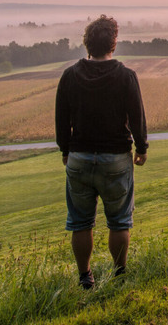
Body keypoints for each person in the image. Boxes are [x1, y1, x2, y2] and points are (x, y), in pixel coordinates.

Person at [55, 15, 148, 289]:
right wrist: (141, 148)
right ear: (113, 43)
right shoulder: (126, 76)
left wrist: (65, 150)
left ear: (87, 44)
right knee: (119, 221)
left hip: (79, 158)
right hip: (116, 159)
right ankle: (119, 275)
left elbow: (62, 119)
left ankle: (85, 278)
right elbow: (137, 117)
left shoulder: (70, 76)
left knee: (80, 222)